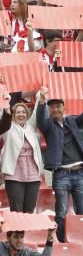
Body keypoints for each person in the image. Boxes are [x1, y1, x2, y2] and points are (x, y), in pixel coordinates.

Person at [36, 88, 83, 242]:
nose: (55, 109)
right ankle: (63, 243)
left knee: (81, 211)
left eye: (58, 106)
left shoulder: (72, 121)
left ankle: (79, 240)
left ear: (64, 108)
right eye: (52, 107)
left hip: (79, 173)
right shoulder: (48, 126)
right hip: (61, 174)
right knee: (61, 212)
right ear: (49, 110)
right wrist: (42, 101)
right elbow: (40, 120)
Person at [0, 101, 43, 213]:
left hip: (33, 175)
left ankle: (26, 231)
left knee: (29, 210)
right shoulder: (7, 128)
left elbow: (37, 112)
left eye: (23, 112)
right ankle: (16, 231)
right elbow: (3, 114)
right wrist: (3, 100)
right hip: (14, 175)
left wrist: (40, 97)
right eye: (18, 112)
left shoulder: (31, 127)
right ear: (13, 114)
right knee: (16, 211)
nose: (21, 114)